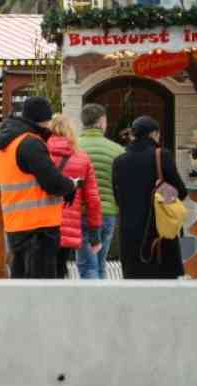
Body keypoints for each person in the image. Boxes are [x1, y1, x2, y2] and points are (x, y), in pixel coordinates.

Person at [0, 96, 77, 278]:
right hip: (39, 228)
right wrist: (71, 186)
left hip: (16, 224)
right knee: (41, 292)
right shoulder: (30, 143)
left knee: (22, 284)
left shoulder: (6, 143)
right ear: (45, 120)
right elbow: (52, 182)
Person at [112, 116, 188, 279]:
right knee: (164, 285)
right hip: (158, 232)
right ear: (154, 134)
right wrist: (162, 194)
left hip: (130, 236)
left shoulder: (119, 161)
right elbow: (180, 192)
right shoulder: (161, 155)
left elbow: (118, 198)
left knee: (135, 286)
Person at [47, 115, 103, 279]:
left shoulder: (40, 153)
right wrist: (94, 234)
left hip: (43, 220)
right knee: (60, 266)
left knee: (43, 271)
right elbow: (93, 199)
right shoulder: (81, 158)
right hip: (69, 222)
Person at [76, 103, 124, 279]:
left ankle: (93, 305)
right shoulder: (117, 150)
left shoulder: (74, 148)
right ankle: (103, 304)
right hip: (108, 212)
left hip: (80, 212)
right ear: (102, 122)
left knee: (87, 264)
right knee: (100, 264)